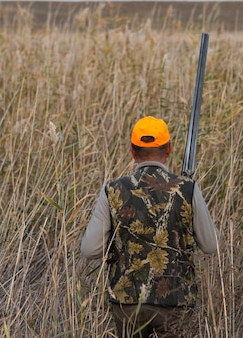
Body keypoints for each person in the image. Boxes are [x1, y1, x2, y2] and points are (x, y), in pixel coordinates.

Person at [81, 116, 219, 338]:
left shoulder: (113, 190)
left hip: (127, 303)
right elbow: (211, 245)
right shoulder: (187, 188)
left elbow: (90, 250)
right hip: (175, 301)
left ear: (133, 152)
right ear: (169, 149)